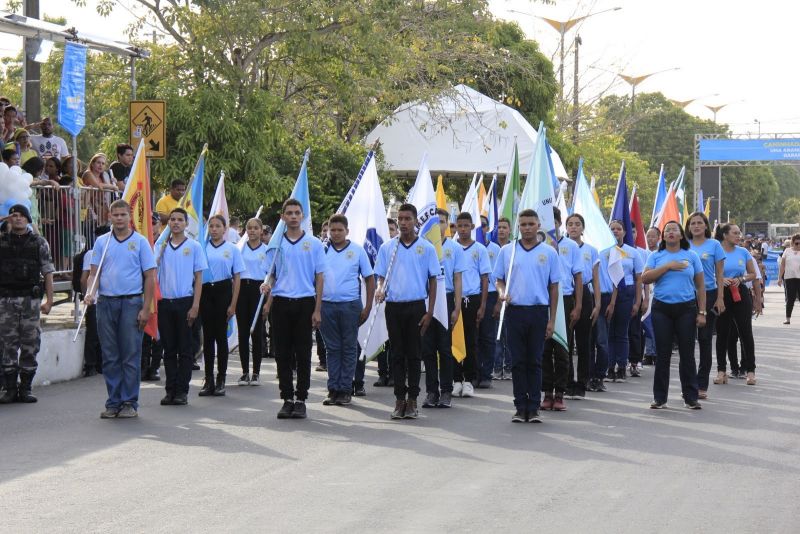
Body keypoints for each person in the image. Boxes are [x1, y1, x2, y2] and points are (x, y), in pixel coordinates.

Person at [84, 200, 156, 418]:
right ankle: (113, 402)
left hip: (131, 303)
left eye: (123, 214)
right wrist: (90, 292)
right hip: (106, 303)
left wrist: (146, 308)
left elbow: (150, 277)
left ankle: (129, 402)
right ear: (109, 216)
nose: (119, 218)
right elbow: (94, 274)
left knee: (130, 354)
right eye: (115, 215)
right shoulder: (101, 242)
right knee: (110, 355)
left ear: (129, 215)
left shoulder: (141, 242)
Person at [260, 198, 326, 420]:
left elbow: (319, 277)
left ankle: (301, 399)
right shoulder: (276, 245)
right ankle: (287, 398)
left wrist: (317, 309)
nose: (294, 216)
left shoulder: (315, 244)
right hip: (281, 302)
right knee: (283, 354)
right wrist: (267, 283)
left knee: (303, 353)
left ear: (303, 216)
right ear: (283, 217)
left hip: (305, 302)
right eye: (289, 213)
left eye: (297, 212)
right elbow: (272, 272)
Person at [493, 209, 560, 423]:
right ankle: (520, 406)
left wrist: (552, 319)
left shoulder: (549, 253)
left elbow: (554, 287)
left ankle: (534, 406)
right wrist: (502, 293)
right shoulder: (508, 251)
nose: (527, 228)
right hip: (515, 311)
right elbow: (498, 279)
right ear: (518, 227)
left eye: (531, 224)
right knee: (518, 362)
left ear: (538, 225)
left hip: (539, 312)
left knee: (535, 361)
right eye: (523, 224)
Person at [374, 203, 438, 420]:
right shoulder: (388, 248)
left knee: (414, 355)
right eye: (400, 219)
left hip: (416, 306)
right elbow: (381, 276)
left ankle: (412, 400)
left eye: (407, 219)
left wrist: (429, 312)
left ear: (415, 221)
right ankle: (399, 399)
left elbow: (433, 280)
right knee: (397, 354)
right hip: (394, 306)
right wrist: (379, 289)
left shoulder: (426, 248)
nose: (403, 223)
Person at [642, 221, 706, 409]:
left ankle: (690, 397)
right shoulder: (655, 256)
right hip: (662, 308)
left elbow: (700, 286)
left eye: (674, 230)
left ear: (681, 235)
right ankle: (660, 398)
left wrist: (702, 312)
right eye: (667, 230)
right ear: (663, 236)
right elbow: (645, 278)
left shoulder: (691, 256)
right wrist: (668, 266)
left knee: (687, 354)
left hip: (686, 308)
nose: (670, 232)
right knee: (663, 355)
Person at [0, 204, 54, 404]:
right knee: (7, 345)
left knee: (31, 344)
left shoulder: (38, 242)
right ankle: (10, 389)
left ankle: (26, 388)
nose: (18, 219)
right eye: (13, 216)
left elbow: (47, 273)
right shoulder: (2, 241)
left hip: (30, 302)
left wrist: (50, 300)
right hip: (5, 301)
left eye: (22, 216)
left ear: (28, 219)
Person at [319, 214, 375, 406]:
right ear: (328, 231)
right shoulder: (322, 250)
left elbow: (369, 278)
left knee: (349, 348)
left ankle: (345, 389)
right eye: (332, 230)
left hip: (350, 305)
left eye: (339, 230)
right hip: (326, 305)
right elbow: (315, 279)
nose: (335, 233)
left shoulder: (358, 251)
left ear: (347, 231)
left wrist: (368, 307)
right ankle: (333, 388)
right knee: (332, 348)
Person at [157, 208, 206, 406]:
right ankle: (170, 390)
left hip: (185, 302)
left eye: (180, 220)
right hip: (165, 303)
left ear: (186, 224)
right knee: (169, 349)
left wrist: (195, 306)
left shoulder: (194, 247)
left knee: (185, 349)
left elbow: (199, 279)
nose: (176, 223)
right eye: (172, 219)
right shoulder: (160, 246)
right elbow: (152, 273)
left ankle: (182, 391)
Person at [421, 208, 463, 408]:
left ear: (448, 224)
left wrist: (456, 307)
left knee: (445, 349)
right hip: (427, 299)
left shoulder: (454, 248)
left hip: (445, 299)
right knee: (428, 349)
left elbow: (457, 278)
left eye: (442, 221)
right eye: (435, 222)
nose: (439, 225)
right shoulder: (423, 246)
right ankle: (431, 391)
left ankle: (446, 391)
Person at [539, 207, 581, 411]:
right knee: (545, 350)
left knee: (563, 349)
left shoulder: (571, 246)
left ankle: (560, 394)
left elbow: (579, 277)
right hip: (543, 300)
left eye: (553, 222)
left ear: (558, 222)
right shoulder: (539, 246)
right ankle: (547, 393)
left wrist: (578, 305)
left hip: (565, 300)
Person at [199, 214, 245, 397]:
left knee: (221, 338)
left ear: (225, 229)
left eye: (218, 226)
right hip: (206, 292)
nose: (214, 229)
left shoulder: (232, 249)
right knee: (208, 339)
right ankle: (208, 379)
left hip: (223, 291)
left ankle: (221, 379)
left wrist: (233, 304)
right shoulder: (202, 248)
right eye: (211, 226)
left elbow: (237, 278)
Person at [686, 212, 726, 399]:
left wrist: (720, 298)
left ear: (706, 226)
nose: (696, 226)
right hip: (685, 296)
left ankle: (701, 385)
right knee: (686, 342)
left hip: (709, 295)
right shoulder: (683, 245)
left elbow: (719, 274)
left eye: (699, 223)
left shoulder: (715, 245)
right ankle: (689, 384)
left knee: (704, 340)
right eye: (692, 223)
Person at [713, 223, 758, 386]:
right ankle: (721, 371)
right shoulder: (716, 251)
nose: (739, 236)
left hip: (740, 294)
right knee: (722, 333)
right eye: (735, 233)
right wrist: (720, 279)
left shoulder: (743, 252)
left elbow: (753, 274)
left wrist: (742, 279)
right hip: (721, 294)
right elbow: (708, 272)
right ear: (725, 235)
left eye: (740, 233)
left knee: (746, 332)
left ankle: (751, 371)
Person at [565, 213, 600, 400]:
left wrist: (598, 304)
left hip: (585, 294)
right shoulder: (560, 247)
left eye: (577, 224)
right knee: (566, 342)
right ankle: (568, 381)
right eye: (570, 224)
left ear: (582, 228)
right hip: (566, 292)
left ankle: (582, 382)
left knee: (584, 341)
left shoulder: (591, 250)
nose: (573, 227)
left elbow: (595, 278)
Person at [454, 212, 490, 395]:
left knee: (470, 340)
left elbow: (485, 279)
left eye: (466, 225)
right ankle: (455, 379)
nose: (462, 229)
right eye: (459, 226)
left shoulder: (479, 249)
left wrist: (482, 305)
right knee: (453, 340)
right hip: (454, 300)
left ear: (472, 226)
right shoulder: (451, 247)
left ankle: (469, 379)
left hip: (472, 299)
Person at [606, 220, 643, 382]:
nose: (615, 231)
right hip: (608, 292)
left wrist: (638, 302)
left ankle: (621, 367)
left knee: (621, 332)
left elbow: (639, 278)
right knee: (608, 333)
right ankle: (609, 366)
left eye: (618, 229)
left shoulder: (632, 252)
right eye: (612, 228)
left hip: (626, 293)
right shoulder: (605, 251)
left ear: (624, 232)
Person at [236, 218, 269, 386]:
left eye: (256, 228)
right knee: (243, 333)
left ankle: (256, 372)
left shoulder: (267, 250)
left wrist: (267, 301)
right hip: (242, 289)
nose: (253, 231)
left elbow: (270, 274)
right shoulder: (240, 249)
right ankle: (244, 372)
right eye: (249, 228)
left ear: (261, 230)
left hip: (258, 290)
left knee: (257, 333)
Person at [78, 224, 110, 378]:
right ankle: (91, 364)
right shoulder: (92, 253)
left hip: (105, 298)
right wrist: (88, 295)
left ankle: (98, 364)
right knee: (94, 334)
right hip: (95, 299)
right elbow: (85, 278)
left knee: (101, 334)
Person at [373, 217, 398, 387]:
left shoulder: (400, 248)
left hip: (398, 300)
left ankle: (395, 374)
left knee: (395, 341)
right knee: (382, 339)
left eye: (392, 229)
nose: (389, 232)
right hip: (383, 299)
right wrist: (379, 289)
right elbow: (379, 275)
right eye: (387, 228)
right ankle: (382, 373)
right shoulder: (384, 248)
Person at [479, 215, 501, 388]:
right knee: (474, 337)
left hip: (492, 294)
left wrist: (499, 302)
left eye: (484, 225)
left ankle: (486, 373)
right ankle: (473, 373)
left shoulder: (496, 248)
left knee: (488, 336)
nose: (481, 228)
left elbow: (501, 277)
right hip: (472, 295)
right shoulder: (466, 247)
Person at [141, 215, 163, 382]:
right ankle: (143, 366)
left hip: (161, 293)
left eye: (154, 223)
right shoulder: (141, 243)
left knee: (157, 332)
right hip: (143, 292)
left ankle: (154, 367)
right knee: (142, 331)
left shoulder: (163, 244)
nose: (151, 226)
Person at [492, 217, 512, 380]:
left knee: (509, 334)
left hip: (511, 298)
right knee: (496, 334)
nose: (501, 230)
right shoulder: (491, 248)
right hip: (494, 294)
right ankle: (497, 367)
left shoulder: (513, 249)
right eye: (499, 228)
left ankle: (509, 367)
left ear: (510, 230)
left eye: (505, 227)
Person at [642, 227, 662, 365]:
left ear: (659, 237)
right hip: (645, 291)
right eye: (648, 236)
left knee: (655, 324)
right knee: (646, 321)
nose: (650, 239)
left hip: (658, 291)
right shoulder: (643, 253)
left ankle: (657, 352)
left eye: (653, 236)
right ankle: (649, 352)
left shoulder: (662, 254)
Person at [778, 233, 800, 324]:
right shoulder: (787, 251)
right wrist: (779, 278)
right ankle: (788, 318)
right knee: (790, 299)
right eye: (796, 243)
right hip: (789, 278)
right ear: (793, 243)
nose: (798, 245)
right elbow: (782, 265)